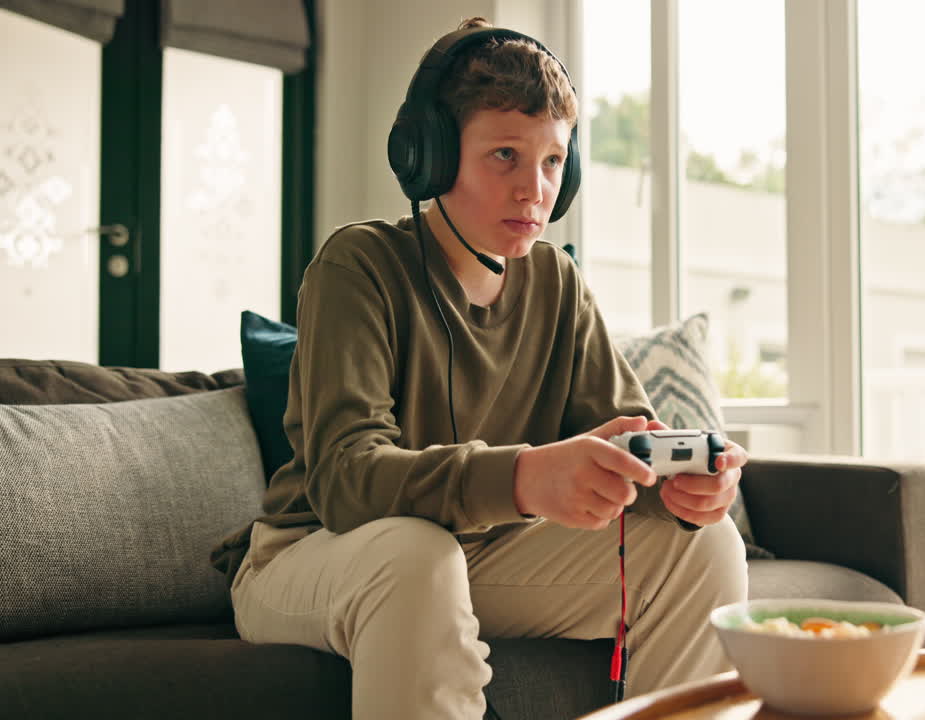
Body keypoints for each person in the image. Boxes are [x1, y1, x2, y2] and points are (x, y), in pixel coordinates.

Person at [210, 16, 749, 720]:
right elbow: (346, 480)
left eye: (554, 161)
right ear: (430, 157)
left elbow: (624, 446)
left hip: (476, 558)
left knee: (706, 549)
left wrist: (675, 491)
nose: (536, 189)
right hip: (314, 554)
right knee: (415, 554)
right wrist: (525, 477)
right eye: (504, 155)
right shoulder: (357, 267)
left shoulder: (557, 283)